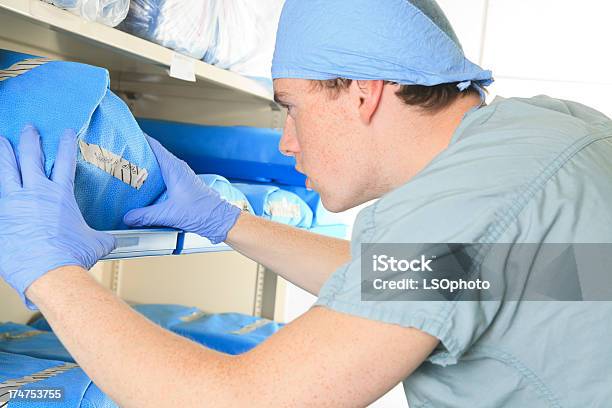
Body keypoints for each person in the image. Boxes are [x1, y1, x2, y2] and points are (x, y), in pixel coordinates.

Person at [1, 0, 611, 406]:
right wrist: (229, 223)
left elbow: (245, 404)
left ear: (364, 93)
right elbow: (451, 279)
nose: (287, 142)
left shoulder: (465, 201)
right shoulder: (541, 138)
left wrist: (50, 274)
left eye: (290, 107)